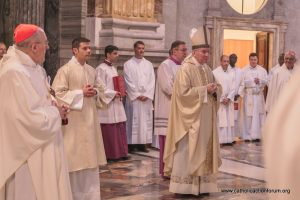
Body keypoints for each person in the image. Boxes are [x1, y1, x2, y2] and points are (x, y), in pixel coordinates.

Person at [0, 24, 72, 200]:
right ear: (33, 47)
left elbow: (44, 98)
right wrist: (56, 114)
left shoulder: (36, 68)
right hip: (28, 153)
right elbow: (27, 118)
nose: (48, 47)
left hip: (46, 142)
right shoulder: (13, 72)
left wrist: (56, 105)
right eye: (45, 43)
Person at [163, 27, 222, 196]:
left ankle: (203, 186)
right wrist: (205, 90)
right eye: (204, 52)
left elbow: (217, 87)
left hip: (205, 120)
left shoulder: (206, 69)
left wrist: (215, 89)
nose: (206, 56)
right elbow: (182, 95)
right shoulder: (186, 69)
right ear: (195, 52)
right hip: (190, 121)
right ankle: (185, 187)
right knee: (188, 151)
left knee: (204, 150)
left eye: (208, 52)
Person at [52, 37, 107, 200]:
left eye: (89, 48)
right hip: (74, 123)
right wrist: (80, 93)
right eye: (85, 48)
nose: (89, 51)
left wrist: (95, 92)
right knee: (74, 159)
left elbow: (101, 89)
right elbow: (57, 94)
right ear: (75, 50)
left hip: (90, 120)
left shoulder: (91, 70)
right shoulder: (65, 70)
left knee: (90, 160)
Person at [263, 59, 300, 200]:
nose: (289, 61)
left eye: (291, 59)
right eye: (287, 59)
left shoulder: (296, 73)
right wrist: (270, 108)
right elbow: (272, 91)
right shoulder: (278, 73)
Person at [154, 40, 187, 177]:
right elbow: (168, 87)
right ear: (174, 51)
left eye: (186, 50)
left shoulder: (184, 66)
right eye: (183, 50)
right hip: (168, 109)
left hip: (181, 109)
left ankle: (177, 169)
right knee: (167, 141)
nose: (186, 52)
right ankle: (166, 170)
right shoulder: (165, 66)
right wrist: (187, 94)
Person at [96, 45, 129, 161]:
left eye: (117, 53)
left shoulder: (113, 68)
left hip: (116, 101)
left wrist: (122, 90)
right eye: (115, 53)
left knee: (118, 125)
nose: (117, 55)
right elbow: (100, 87)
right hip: (108, 104)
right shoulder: (101, 68)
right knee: (109, 127)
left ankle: (121, 153)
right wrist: (113, 93)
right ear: (108, 54)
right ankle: (111, 154)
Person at [123, 41, 155, 153]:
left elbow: (152, 81)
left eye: (143, 48)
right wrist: (136, 94)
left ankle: (142, 144)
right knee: (133, 120)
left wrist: (147, 94)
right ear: (134, 49)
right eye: (139, 48)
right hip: (134, 99)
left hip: (146, 99)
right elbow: (128, 81)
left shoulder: (149, 64)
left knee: (145, 121)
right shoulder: (128, 64)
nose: (141, 50)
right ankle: (131, 144)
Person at [239, 52, 268, 141]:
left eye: (255, 59)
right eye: (251, 60)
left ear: (257, 60)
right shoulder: (243, 70)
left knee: (259, 115)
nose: (253, 61)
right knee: (248, 116)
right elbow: (241, 83)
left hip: (259, 96)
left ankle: (258, 135)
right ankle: (247, 135)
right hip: (249, 96)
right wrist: (252, 81)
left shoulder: (262, 70)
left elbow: (266, 81)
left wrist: (259, 81)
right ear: (249, 60)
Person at [213, 55, 235, 145]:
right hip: (220, 101)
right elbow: (214, 86)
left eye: (227, 61)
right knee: (221, 120)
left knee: (229, 120)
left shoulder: (232, 72)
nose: (226, 63)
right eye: (224, 61)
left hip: (228, 101)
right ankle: (220, 140)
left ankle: (228, 140)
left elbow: (234, 87)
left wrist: (229, 97)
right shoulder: (214, 73)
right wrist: (221, 98)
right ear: (220, 62)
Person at [229, 53, 243, 140]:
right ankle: (227, 136)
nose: (233, 59)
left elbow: (242, 83)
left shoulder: (239, 71)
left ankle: (234, 136)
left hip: (236, 98)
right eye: (232, 58)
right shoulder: (227, 70)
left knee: (235, 117)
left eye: (235, 58)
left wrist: (238, 93)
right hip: (227, 98)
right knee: (228, 117)